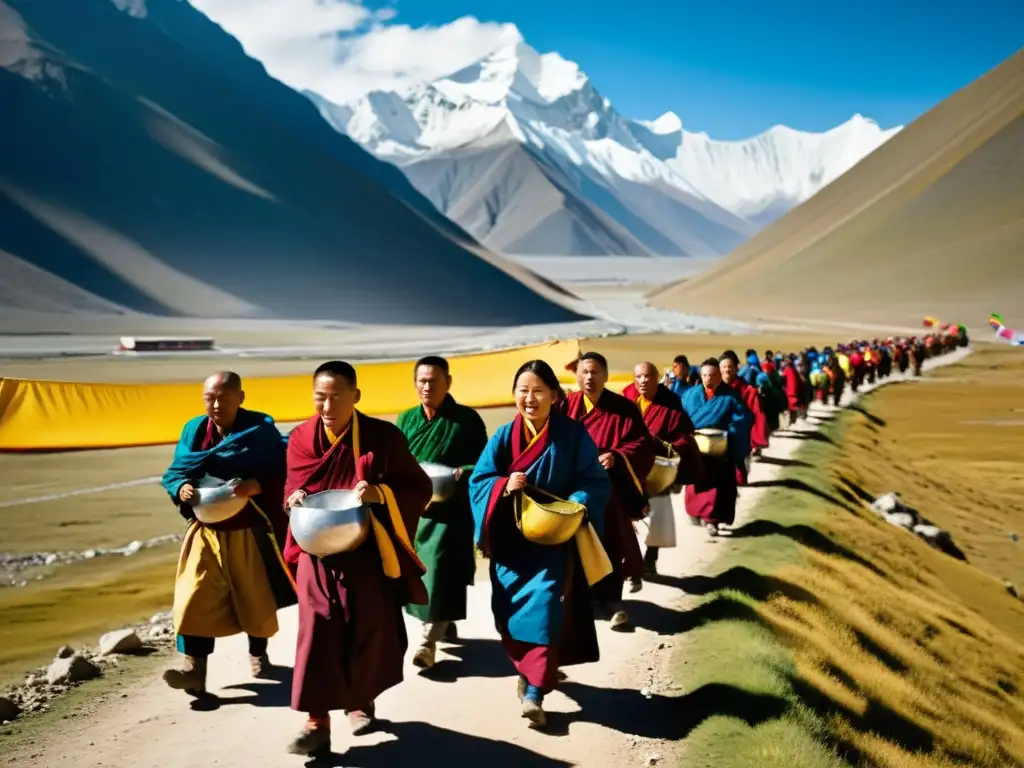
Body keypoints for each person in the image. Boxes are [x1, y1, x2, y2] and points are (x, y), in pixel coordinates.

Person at [283, 361, 432, 756]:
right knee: (316, 631)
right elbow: (293, 486)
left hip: (366, 552)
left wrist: (380, 493)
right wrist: (292, 499)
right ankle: (316, 722)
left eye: (336, 397)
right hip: (317, 553)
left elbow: (418, 486)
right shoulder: (300, 437)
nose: (327, 406)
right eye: (320, 397)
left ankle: (360, 702)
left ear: (356, 396)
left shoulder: (383, 437)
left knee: (365, 629)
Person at [469, 360, 610, 728]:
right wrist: (503, 487)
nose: (529, 399)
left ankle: (534, 693)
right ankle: (529, 672)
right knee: (511, 614)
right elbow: (479, 480)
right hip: (512, 546)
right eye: (522, 391)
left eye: (537, 391)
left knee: (546, 611)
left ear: (554, 395)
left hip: (553, 540)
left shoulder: (573, 434)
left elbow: (594, 480)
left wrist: (575, 503)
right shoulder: (503, 435)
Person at [161, 372, 292, 697]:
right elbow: (177, 470)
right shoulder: (194, 429)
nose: (216, 405)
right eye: (210, 398)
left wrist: (258, 485)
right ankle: (194, 669)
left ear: (240, 398)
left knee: (254, 598)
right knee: (193, 597)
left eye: (224, 397)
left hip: (247, 528)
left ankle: (258, 655)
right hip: (205, 529)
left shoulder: (259, 431)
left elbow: (284, 469)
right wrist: (182, 488)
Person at [397, 355, 489, 670]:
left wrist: (464, 471)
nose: (427, 387)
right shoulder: (406, 419)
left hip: (451, 512)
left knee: (440, 571)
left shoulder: (467, 420)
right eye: (421, 381)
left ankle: (427, 642)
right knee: (422, 573)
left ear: (448, 383)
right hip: (416, 511)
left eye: (434, 381)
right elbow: (398, 462)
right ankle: (443, 623)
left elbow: (485, 465)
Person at [561, 352, 654, 630]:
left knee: (611, 541)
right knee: (572, 543)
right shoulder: (566, 406)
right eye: (584, 372)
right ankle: (580, 600)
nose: (589, 378)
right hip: (572, 488)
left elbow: (641, 445)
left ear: (606, 375)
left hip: (608, 490)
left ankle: (613, 601)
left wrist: (616, 455)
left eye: (595, 372)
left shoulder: (624, 408)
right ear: (576, 376)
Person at [623, 362, 703, 577]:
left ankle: (650, 558)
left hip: (658, 468)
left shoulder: (670, 402)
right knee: (624, 515)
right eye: (638, 376)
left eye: (648, 376)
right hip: (629, 468)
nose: (643, 381)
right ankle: (628, 560)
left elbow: (684, 437)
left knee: (658, 513)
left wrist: (664, 446)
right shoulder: (627, 397)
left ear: (656, 378)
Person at [680, 359, 753, 537]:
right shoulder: (690, 395)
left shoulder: (730, 396)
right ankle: (695, 512)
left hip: (720, 448)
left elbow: (743, 419)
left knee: (718, 487)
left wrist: (729, 434)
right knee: (695, 483)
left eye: (712, 375)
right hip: (696, 446)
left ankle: (712, 521)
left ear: (720, 376)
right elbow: (680, 418)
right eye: (704, 375)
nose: (708, 378)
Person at [720, 351, 768, 465]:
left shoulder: (747, 391)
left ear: (737, 367)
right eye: (724, 367)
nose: (727, 370)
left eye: (730, 366)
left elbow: (756, 415)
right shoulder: (712, 389)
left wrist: (755, 442)